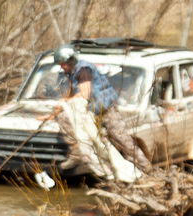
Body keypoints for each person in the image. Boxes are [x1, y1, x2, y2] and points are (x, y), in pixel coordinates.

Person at [51, 44, 153, 173]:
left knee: (122, 139)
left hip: (104, 109)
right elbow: (74, 94)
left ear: (71, 60)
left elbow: (84, 94)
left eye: (63, 63)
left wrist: (66, 102)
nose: (62, 67)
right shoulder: (71, 73)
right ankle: (97, 164)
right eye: (60, 64)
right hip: (91, 112)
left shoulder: (83, 70)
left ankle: (145, 168)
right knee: (66, 120)